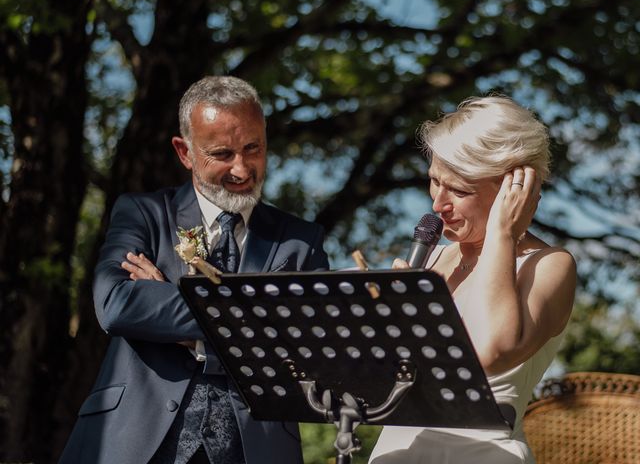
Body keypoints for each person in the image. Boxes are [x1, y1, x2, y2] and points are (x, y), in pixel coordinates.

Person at [60, 76, 329, 464]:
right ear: (185, 152)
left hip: (256, 448)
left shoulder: (302, 241)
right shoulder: (143, 214)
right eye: (222, 153)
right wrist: (260, 317)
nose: (241, 168)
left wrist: (177, 310)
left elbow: (308, 342)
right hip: (133, 440)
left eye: (253, 148)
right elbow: (117, 303)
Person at [368, 96, 576, 464]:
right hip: (397, 451)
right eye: (434, 181)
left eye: (460, 190)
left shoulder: (549, 265)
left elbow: (493, 351)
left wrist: (503, 234)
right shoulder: (431, 259)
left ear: (515, 189)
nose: (438, 204)